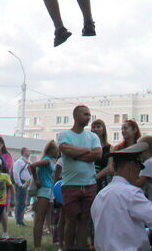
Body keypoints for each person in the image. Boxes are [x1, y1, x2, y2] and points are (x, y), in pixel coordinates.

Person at [91, 141, 152, 251]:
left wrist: (147, 231)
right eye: (140, 167)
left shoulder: (100, 196)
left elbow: (117, 232)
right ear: (132, 166)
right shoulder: (131, 193)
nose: (139, 173)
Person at [57, 105, 102, 249]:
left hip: (89, 184)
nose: (88, 117)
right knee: (71, 220)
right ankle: (69, 248)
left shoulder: (93, 136)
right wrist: (88, 151)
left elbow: (98, 154)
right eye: (85, 114)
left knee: (85, 219)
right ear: (76, 116)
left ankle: (81, 248)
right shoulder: (64, 135)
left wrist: (76, 155)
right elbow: (66, 149)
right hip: (70, 184)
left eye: (89, 115)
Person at [30, 140, 59, 249]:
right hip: (44, 190)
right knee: (40, 219)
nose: (58, 153)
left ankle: (39, 244)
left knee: (46, 217)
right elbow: (32, 165)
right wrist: (36, 179)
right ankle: (37, 246)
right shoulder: (46, 160)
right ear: (51, 150)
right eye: (57, 150)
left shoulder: (50, 161)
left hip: (49, 190)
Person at [12, 147, 32, 226]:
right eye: (28, 151)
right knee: (20, 202)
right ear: (23, 152)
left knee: (23, 203)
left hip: (26, 183)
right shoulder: (19, 162)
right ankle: (18, 220)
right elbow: (16, 173)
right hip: (22, 183)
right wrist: (19, 184)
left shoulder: (26, 162)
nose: (29, 152)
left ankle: (21, 219)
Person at [91, 118, 112, 190]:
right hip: (88, 178)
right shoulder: (88, 146)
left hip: (102, 180)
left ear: (103, 129)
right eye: (93, 127)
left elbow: (110, 167)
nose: (95, 129)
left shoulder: (109, 148)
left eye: (98, 127)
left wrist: (96, 177)